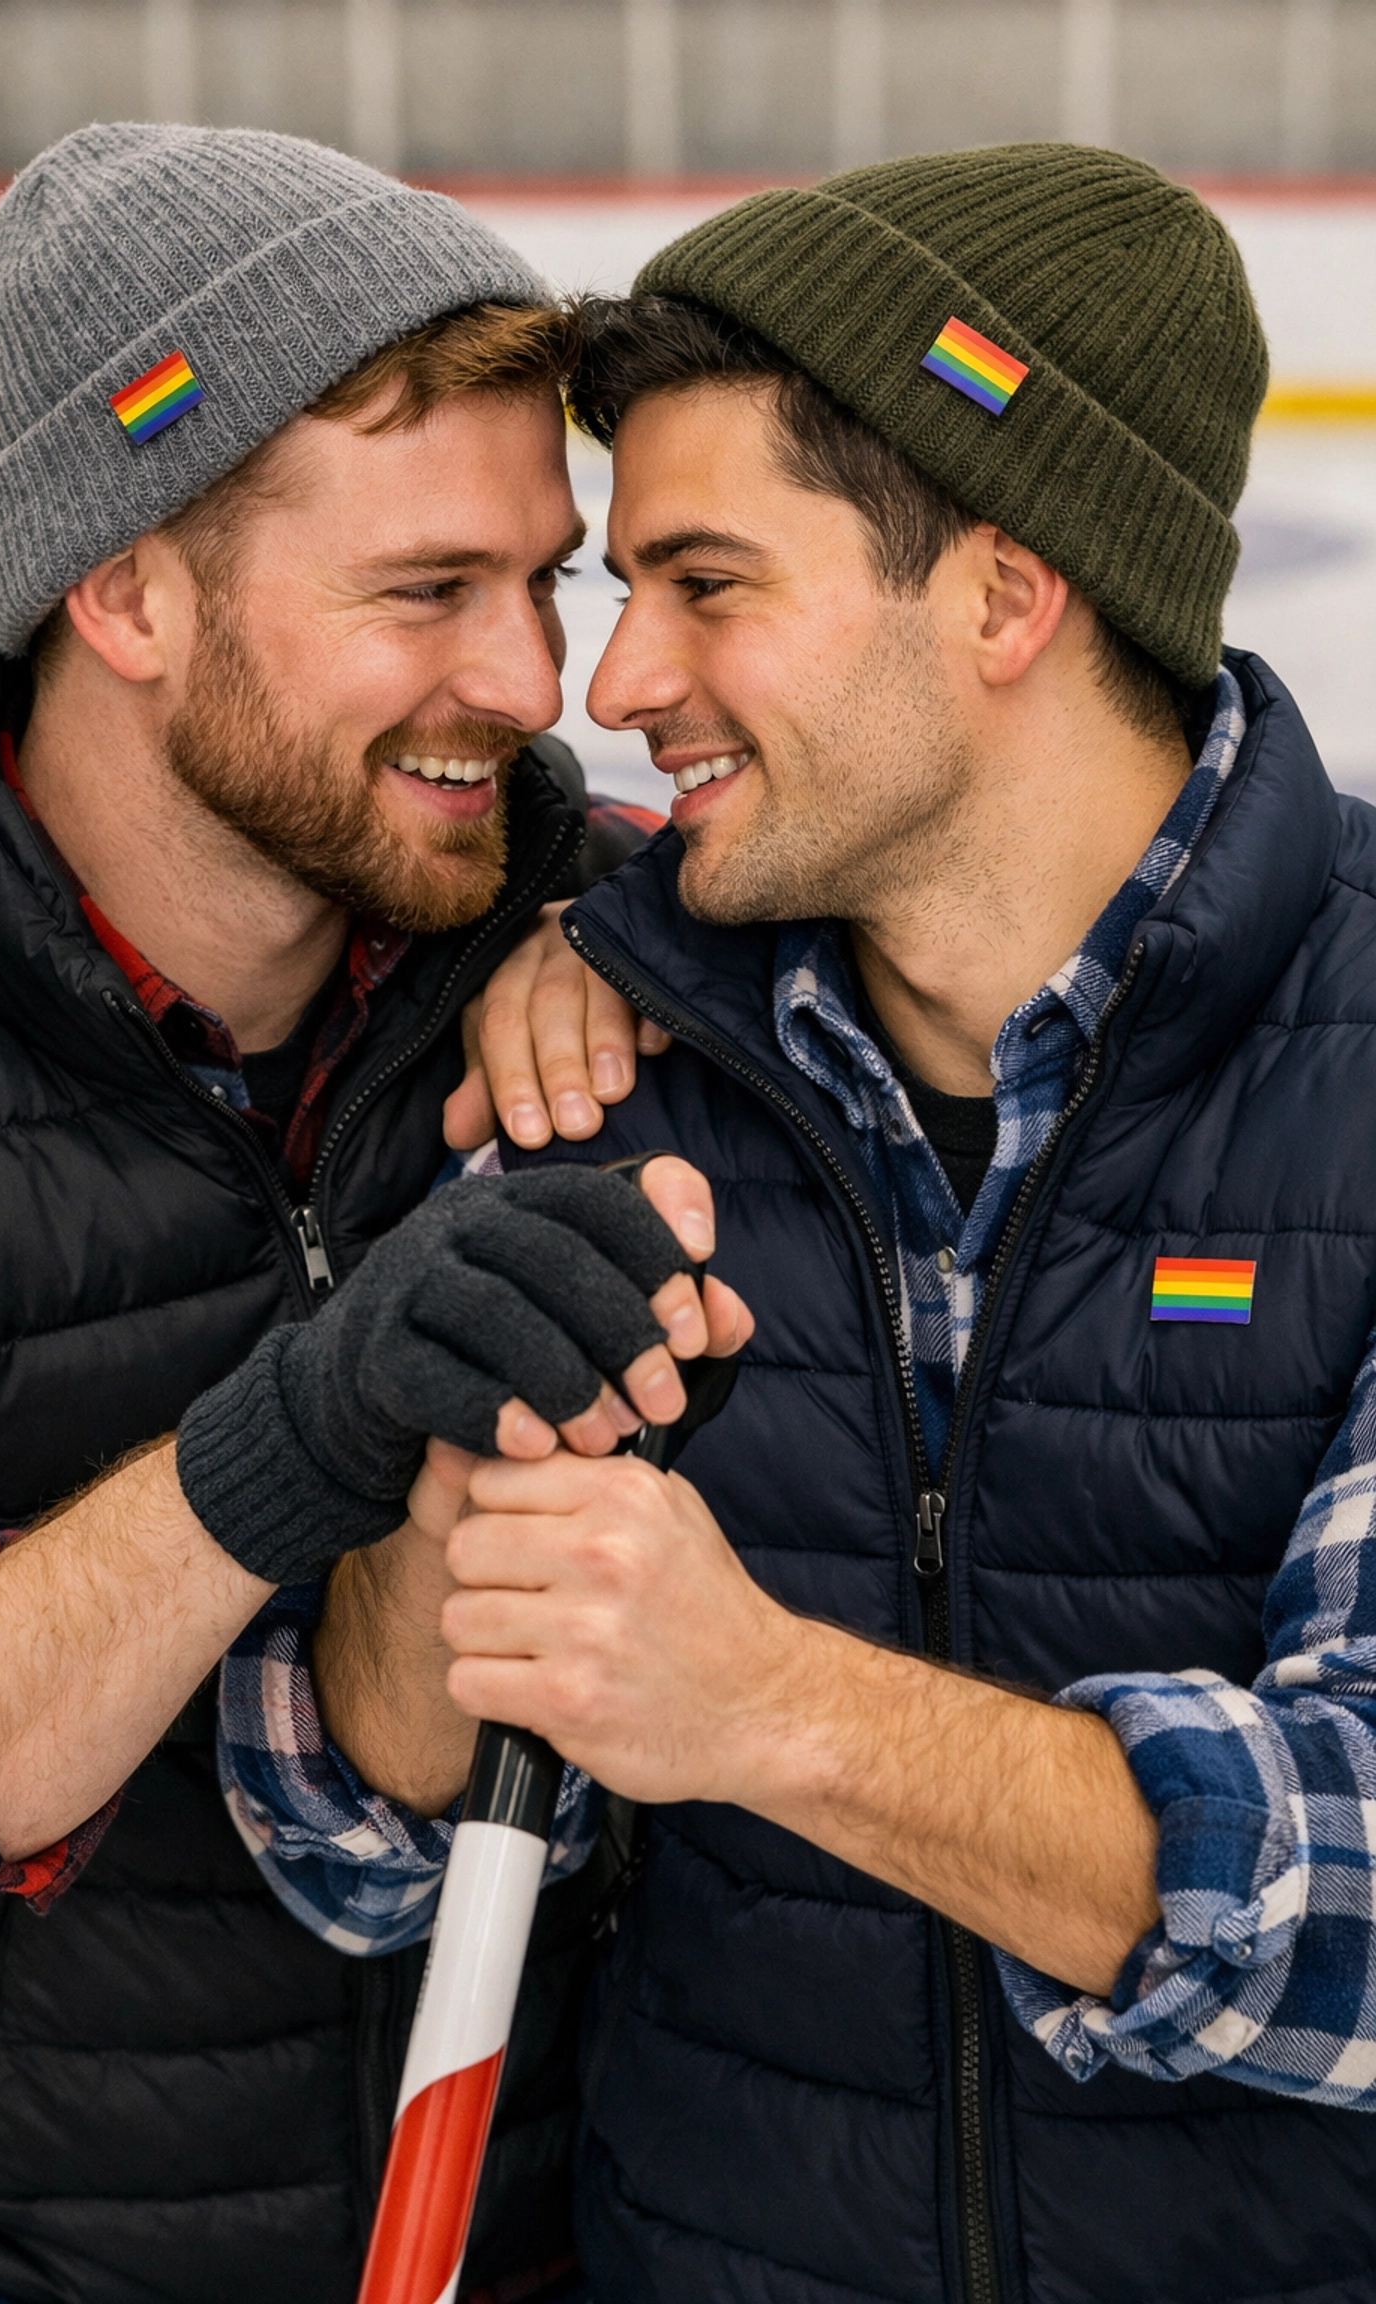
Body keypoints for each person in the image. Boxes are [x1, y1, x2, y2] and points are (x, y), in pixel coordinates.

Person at [249, 145, 1376, 2300]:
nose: (611, 684)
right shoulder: (607, 1066)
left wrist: (768, 1705)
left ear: (998, 594)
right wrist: (441, 1531)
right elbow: (344, 1838)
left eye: (707, 583)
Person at [0, 120, 672, 2304]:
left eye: (543, 582)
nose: (532, 686)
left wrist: (657, 930)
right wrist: (290, 1439)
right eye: (426, 594)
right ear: (125, 589)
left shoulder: (611, 931)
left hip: (546, 2216)